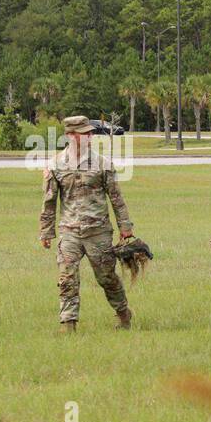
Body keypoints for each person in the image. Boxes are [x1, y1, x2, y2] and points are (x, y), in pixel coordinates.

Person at [38, 115, 135, 332]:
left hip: (98, 232)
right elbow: (49, 201)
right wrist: (46, 232)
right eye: (84, 133)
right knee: (67, 278)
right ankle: (68, 324)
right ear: (70, 136)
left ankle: (123, 314)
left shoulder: (103, 164)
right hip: (69, 232)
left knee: (107, 278)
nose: (90, 136)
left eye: (90, 133)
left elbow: (116, 198)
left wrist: (125, 227)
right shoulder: (55, 165)